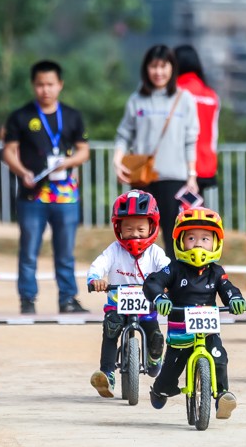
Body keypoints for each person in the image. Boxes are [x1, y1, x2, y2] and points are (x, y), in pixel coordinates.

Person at [3, 60, 91, 314]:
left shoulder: (73, 116)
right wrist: (22, 172)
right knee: (29, 250)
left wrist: (68, 162)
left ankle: (68, 299)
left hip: (65, 195)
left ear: (60, 85)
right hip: (32, 195)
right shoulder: (21, 116)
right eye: (40, 85)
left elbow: (84, 151)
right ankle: (27, 299)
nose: (45, 90)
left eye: (50, 84)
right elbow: (8, 151)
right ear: (33, 85)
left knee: (65, 252)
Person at [143, 207, 246, 420]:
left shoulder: (216, 272)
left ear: (216, 243)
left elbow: (228, 289)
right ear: (180, 241)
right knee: (168, 375)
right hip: (180, 333)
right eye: (191, 237)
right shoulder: (173, 269)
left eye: (205, 239)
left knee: (219, 358)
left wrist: (236, 300)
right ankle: (160, 389)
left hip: (208, 331)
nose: (198, 244)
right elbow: (153, 282)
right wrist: (160, 298)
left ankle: (222, 397)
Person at [115, 45, 199, 259]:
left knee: (175, 236)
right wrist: (117, 161)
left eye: (163, 66)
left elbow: (191, 140)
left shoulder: (185, 99)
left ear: (172, 68)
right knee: (138, 236)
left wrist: (192, 176)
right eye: (154, 66)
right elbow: (124, 134)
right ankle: (140, 285)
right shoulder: (136, 99)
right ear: (146, 68)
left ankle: (176, 287)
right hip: (143, 179)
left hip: (175, 179)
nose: (158, 72)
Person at [86, 190, 169, 397]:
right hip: (117, 305)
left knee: (156, 337)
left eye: (140, 228)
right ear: (118, 228)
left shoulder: (155, 253)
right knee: (111, 330)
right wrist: (95, 279)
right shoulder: (114, 250)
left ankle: (154, 358)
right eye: (129, 228)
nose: (135, 234)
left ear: (151, 226)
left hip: (147, 307)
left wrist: (169, 285)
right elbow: (98, 265)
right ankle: (107, 373)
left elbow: (168, 270)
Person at [175, 44, 220, 191]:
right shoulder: (211, 95)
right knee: (197, 210)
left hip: (180, 163)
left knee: (173, 211)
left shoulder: (176, 92)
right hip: (206, 162)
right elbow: (214, 134)